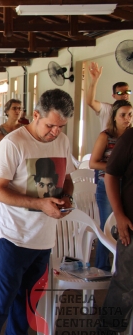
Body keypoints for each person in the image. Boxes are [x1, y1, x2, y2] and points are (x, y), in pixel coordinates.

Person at [0, 89, 75, 335]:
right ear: (35, 115)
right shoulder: (13, 143)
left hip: (43, 241)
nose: (56, 132)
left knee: (26, 309)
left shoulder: (62, 141)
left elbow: (68, 177)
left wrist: (67, 197)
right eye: (51, 125)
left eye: (61, 127)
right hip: (14, 238)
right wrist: (40, 204)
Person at [99, 115, 133, 333]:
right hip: (131, 226)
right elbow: (110, 174)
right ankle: (107, 331)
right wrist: (119, 215)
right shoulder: (131, 136)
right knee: (125, 285)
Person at [89, 100, 132, 271]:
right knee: (107, 226)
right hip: (106, 184)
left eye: (130, 115)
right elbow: (93, 163)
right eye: (122, 115)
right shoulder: (106, 136)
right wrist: (116, 168)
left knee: (126, 224)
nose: (127, 119)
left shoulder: (130, 137)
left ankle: (120, 266)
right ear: (114, 117)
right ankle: (102, 266)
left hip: (126, 186)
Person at [86, 61, 130, 131]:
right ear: (114, 96)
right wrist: (94, 80)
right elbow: (90, 102)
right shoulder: (107, 109)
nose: (125, 95)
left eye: (128, 92)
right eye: (120, 93)